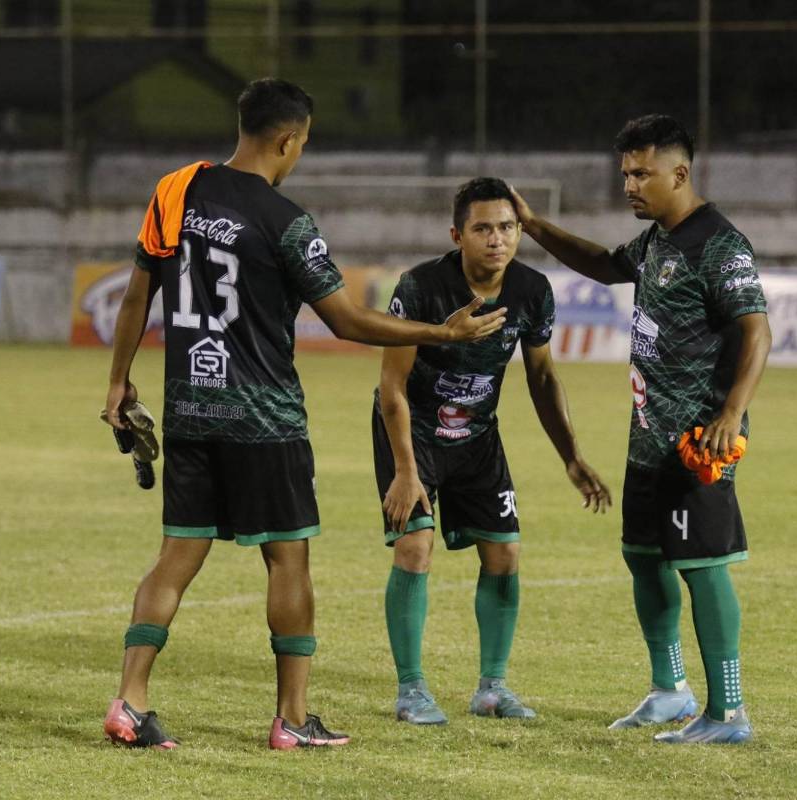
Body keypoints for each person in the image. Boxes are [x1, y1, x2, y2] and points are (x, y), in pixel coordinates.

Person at [100, 78, 506, 751]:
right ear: (290, 139)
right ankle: (291, 720)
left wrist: (118, 382)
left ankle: (129, 703)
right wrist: (445, 334)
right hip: (265, 421)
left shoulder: (175, 190)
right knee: (289, 561)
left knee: (176, 555)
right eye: (302, 145)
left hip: (191, 411)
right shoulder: (286, 221)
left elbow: (138, 291)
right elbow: (347, 319)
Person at [510, 115, 772, 744]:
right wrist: (535, 225)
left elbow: (756, 330)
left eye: (642, 172)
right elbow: (603, 265)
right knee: (643, 557)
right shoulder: (658, 240)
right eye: (625, 171)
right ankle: (668, 688)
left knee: (703, 566)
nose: (629, 183)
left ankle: (728, 712)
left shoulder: (719, 243)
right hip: (648, 439)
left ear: (680, 173)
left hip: (696, 443)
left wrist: (730, 413)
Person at [374, 177, 611, 725]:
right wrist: (406, 472)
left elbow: (544, 378)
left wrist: (570, 456)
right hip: (415, 430)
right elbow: (391, 388)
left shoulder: (531, 291)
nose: (497, 239)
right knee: (415, 546)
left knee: (504, 553)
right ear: (458, 234)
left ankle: (491, 689)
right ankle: (411, 690)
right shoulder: (421, 287)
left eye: (507, 227)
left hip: (478, 434)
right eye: (482, 228)